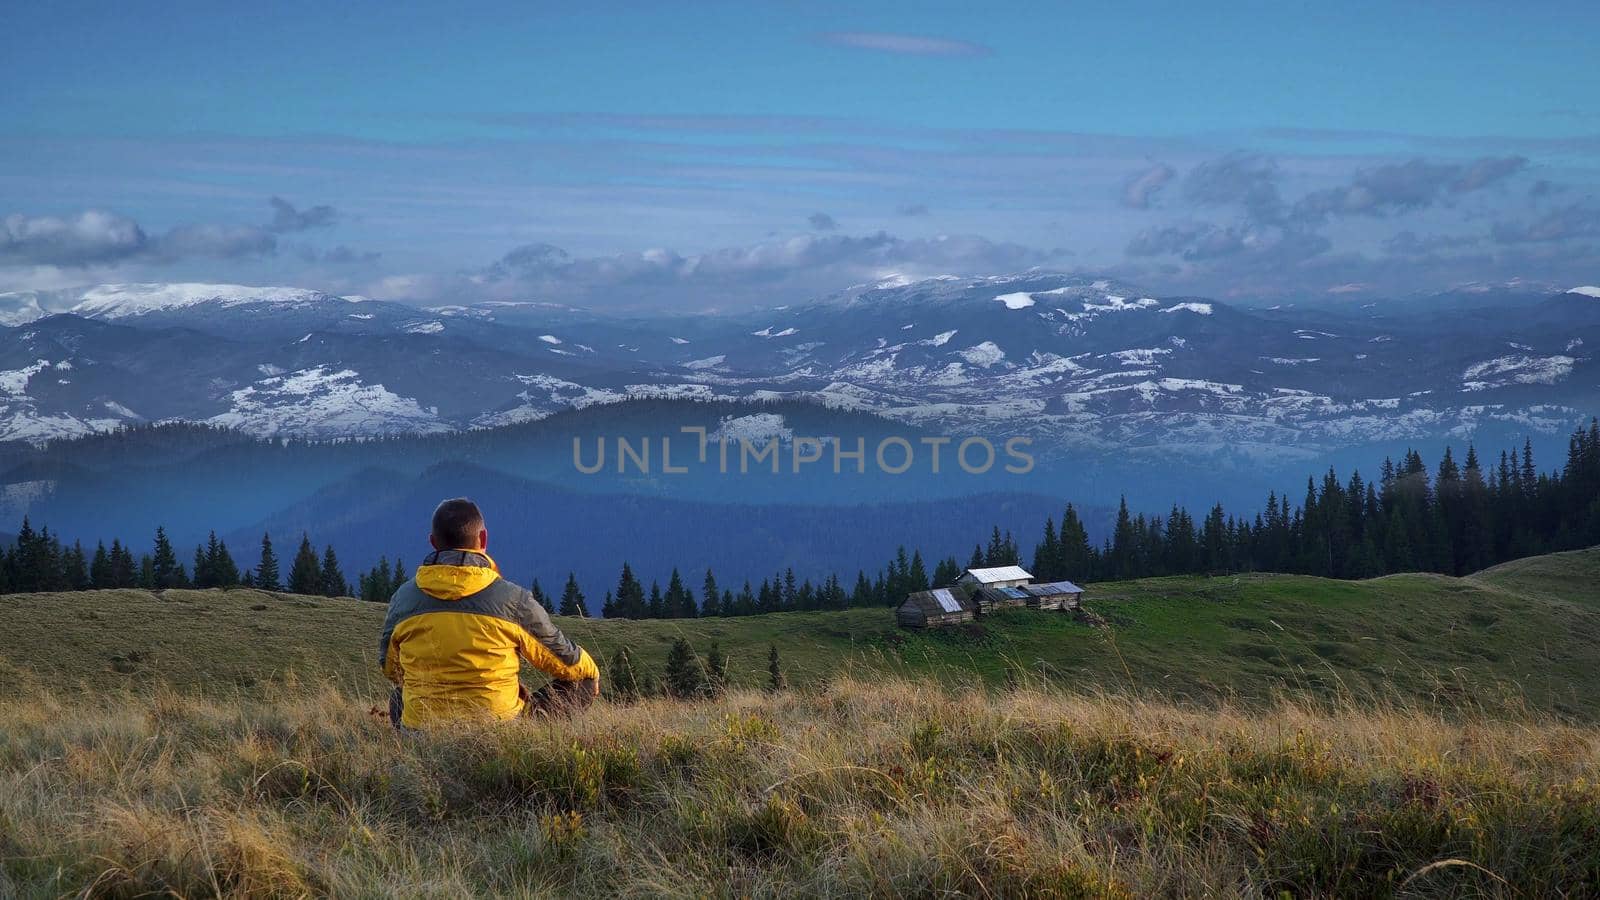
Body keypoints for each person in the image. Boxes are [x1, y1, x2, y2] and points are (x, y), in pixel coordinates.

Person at [379, 497, 600, 730]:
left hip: (421, 732)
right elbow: (566, 660)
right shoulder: (513, 600)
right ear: (483, 538)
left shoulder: (403, 600)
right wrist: (592, 672)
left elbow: (390, 668)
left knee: (399, 696)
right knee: (583, 680)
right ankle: (530, 738)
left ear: (433, 542)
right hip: (499, 731)